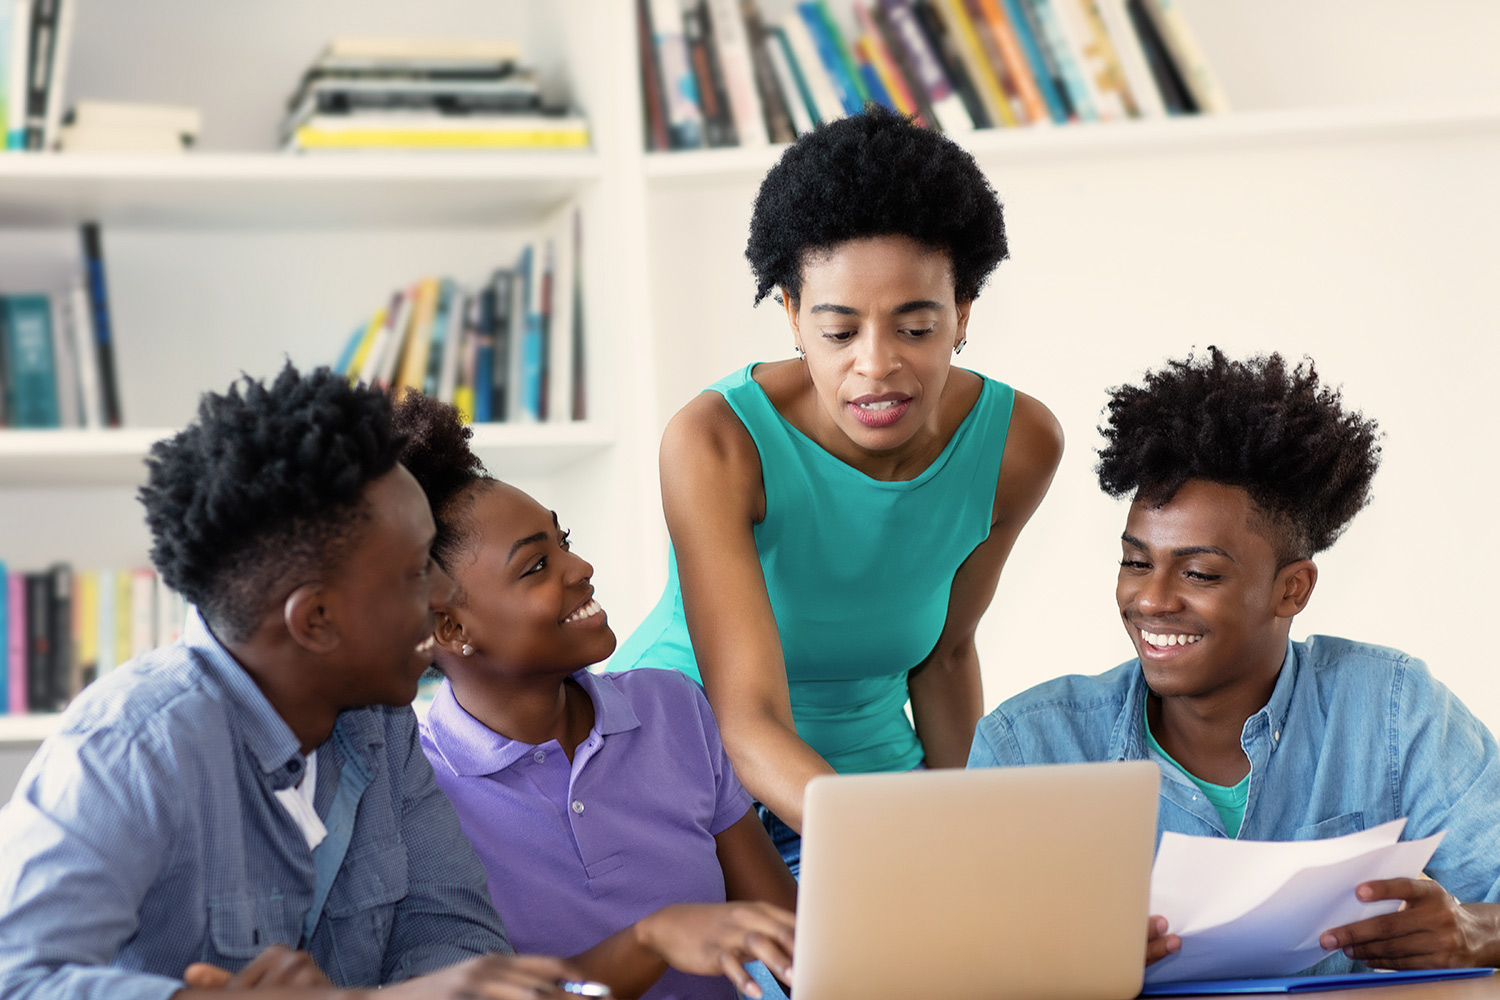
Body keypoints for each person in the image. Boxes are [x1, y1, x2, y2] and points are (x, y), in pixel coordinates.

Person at [0, 364, 587, 999]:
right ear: (316, 619)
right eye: (419, 571)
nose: (445, 595)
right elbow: (19, 976)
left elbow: (456, 936)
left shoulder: (382, 724)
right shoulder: (130, 747)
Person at [608, 105, 1065, 870]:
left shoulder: (1018, 445)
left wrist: (972, 845)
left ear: (962, 316)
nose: (877, 365)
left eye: (915, 328)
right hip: (691, 789)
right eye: (839, 330)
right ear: (790, 316)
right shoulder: (717, 443)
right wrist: (878, 845)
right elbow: (745, 718)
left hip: (870, 788)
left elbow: (946, 658)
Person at [969, 348, 1500, 972]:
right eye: (1136, 562)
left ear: (1292, 589)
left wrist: (1478, 932)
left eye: (1198, 572)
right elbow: (953, 956)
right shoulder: (1031, 746)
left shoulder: (1391, 711)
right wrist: (1037, 961)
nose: (1152, 599)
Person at [390, 392, 798, 1000]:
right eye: (535, 566)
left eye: (564, 540)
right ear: (450, 629)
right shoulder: (421, 790)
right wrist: (652, 937)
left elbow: (793, 936)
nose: (579, 566)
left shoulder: (673, 707)